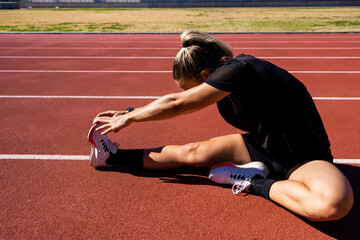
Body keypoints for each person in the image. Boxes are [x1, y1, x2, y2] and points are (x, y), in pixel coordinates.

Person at [88, 30, 353, 222]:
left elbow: (179, 103)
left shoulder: (241, 69)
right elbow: (179, 100)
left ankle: (254, 182)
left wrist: (130, 118)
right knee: (191, 153)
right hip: (262, 146)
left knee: (332, 205)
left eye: (193, 88)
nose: (191, 94)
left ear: (206, 76)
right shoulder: (225, 80)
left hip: (303, 157)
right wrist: (131, 111)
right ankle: (112, 156)